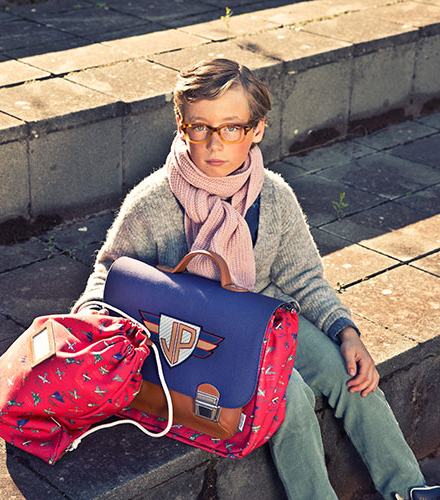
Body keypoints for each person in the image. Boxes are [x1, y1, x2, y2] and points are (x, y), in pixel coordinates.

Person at [72, 58, 439, 500]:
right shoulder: (154, 200)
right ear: (181, 124)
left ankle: (408, 490)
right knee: (291, 399)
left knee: (350, 374)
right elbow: (110, 270)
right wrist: (91, 322)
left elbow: (304, 276)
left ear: (257, 129)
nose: (213, 143)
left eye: (231, 128)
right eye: (199, 128)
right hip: (197, 336)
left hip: (263, 315)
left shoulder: (274, 195)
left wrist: (347, 331)